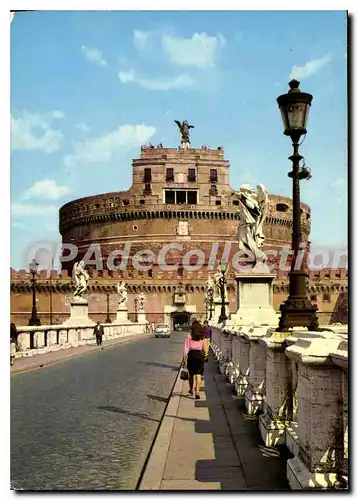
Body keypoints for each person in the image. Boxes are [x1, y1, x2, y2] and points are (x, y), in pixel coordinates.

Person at [183, 320, 209, 399]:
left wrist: (184, 357)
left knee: (191, 374)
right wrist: (205, 355)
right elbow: (205, 349)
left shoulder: (189, 336)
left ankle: (191, 390)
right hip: (199, 355)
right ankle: (197, 392)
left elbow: (186, 348)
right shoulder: (203, 337)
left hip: (191, 355)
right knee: (198, 374)